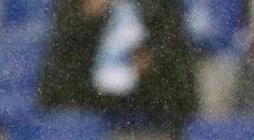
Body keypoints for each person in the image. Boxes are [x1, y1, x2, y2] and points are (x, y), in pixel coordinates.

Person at [38, 0, 199, 133]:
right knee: (59, 69)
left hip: (146, 91)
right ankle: (69, 133)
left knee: (179, 69)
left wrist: (151, 59)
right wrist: (90, 15)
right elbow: (65, 43)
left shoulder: (161, 6)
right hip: (88, 86)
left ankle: (175, 134)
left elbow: (171, 37)